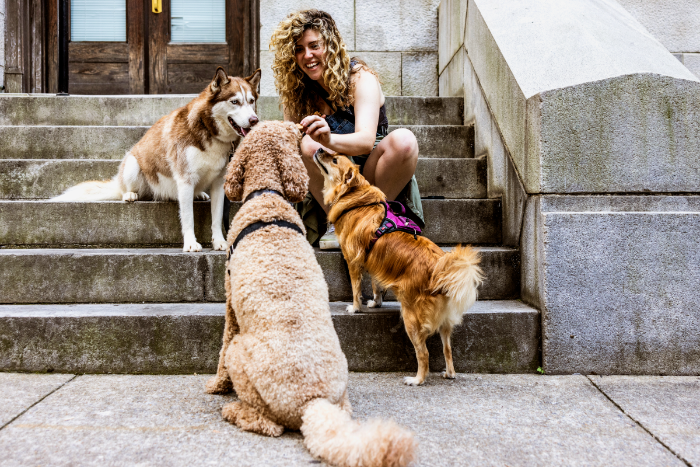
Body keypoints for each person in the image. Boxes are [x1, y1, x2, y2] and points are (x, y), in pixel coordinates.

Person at [269, 9, 424, 249]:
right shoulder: (297, 94)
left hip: (373, 174)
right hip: (331, 188)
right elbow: (292, 149)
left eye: (314, 46)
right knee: (307, 143)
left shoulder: (360, 78)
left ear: (330, 45)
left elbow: (364, 140)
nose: (307, 55)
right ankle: (340, 222)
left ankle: (373, 218)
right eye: (299, 49)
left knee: (405, 140)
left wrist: (328, 138)